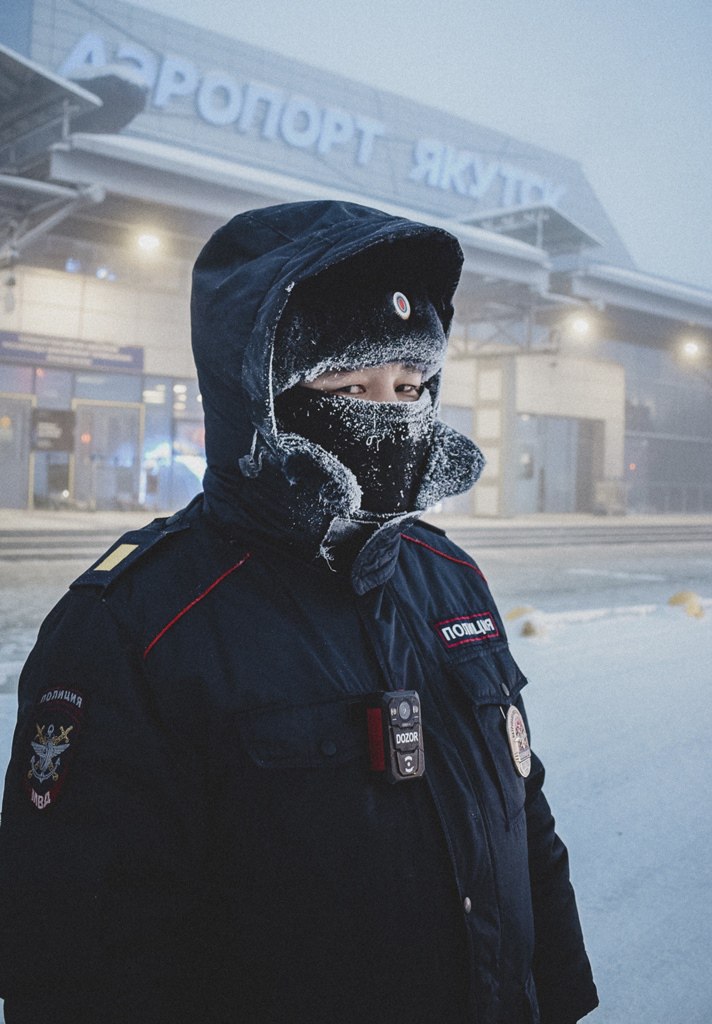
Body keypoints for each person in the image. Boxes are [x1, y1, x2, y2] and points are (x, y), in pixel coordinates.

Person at [0, 200, 598, 1024]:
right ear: (263, 397)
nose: (389, 413)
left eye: (410, 385)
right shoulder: (139, 626)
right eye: (351, 385)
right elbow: (78, 955)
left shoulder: (450, 580)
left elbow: (524, 825)